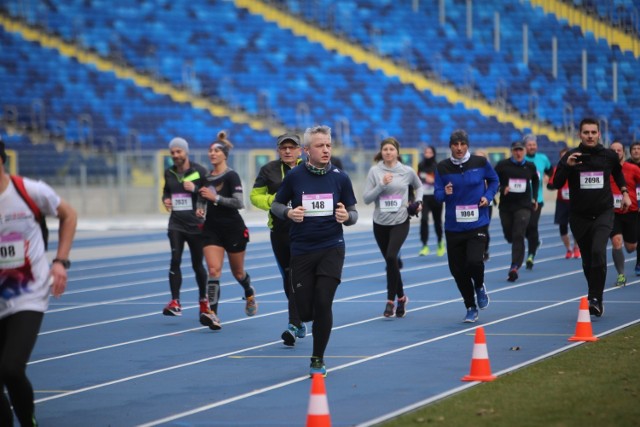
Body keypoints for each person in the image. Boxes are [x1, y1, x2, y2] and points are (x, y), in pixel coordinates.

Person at [0, 141, 77, 426]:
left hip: (26, 294)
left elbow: (69, 214)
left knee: (10, 368)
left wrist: (60, 261)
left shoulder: (29, 191)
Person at [271, 125, 358, 377]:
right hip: (302, 250)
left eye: (328, 145)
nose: (326, 150)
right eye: (320, 146)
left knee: (323, 303)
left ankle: (317, 358)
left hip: (332, 248)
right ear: (307, 150)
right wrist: (289, 213)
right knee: (307, 311)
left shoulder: (341, 178)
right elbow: (276, 205)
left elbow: (353, 213)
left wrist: (346, 216)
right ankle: (305, 324)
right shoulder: (295, 177)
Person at [552, 118, 630, 317]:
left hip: (604, 212)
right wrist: (568, 166)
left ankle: (594, 298)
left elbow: (618, 174)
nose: (590, 136)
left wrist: (624, 192)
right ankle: (595, 296)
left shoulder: (609, 156)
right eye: (586, 132)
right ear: (580, 134)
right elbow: (556, 183)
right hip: (579, 216)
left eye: (593, 132)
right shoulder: (571, 156)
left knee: (598, 251)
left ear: (598, 134)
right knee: (587, 260)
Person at [434, 129, 499, 323]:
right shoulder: (442, 167)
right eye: (455, 144)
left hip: (477, 223)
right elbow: (437, 196)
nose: (459, 148)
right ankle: (470, 306)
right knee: (458, 271)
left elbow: (495, 180)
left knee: (474, 262)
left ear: (467, 145)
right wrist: (444, 192)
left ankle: (479, 285)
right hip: (454, 227)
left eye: (462, 144)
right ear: (450, 146)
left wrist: (487, 197)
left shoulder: (480, 163)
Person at [250, 132, 306, 346]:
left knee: (296, 276)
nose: (288, 151)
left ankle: (293, 323)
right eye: (284, 148)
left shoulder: (307, 168)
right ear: (278, 150)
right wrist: (275, 201)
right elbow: (255, 197)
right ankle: (298, 319)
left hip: (304, 231)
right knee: (287, 277)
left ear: (300, 150)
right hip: (280, 232)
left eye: (292, 147)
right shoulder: (269, 170)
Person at [196, 131, 256, 331]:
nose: (212, 154)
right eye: (210, 151)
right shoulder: (205, 177)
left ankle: (248, 291)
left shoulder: (232, 176)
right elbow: (202, 199)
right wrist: (200, 208)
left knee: (238, 272)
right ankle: (212, 314)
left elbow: (239, 203)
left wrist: (216, 199)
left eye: (216, 150)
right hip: (212, 229)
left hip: (233, 229)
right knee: (213, 271)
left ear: (224, 155)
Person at [363, 137, 423, 318]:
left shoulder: (406, 171)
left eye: (391, 149)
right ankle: (402, 297)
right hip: (380, 223)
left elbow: (419, 186)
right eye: (385, 149)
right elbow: (366, 199)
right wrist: (381, 185)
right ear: (381, 152)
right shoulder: (374, 171)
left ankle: (390, 301)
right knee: (391, 263)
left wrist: (418, 201)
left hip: (400, 220)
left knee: (391, 256)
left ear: (397, 152)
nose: (388, 152)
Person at [161, 137, 209, 320]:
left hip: (196, 224)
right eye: (172, 152)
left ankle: (203, 301)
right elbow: (167, 190)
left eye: (178, 151)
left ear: (186, 152)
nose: (175, 155)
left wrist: (195, 188)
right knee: (175, 260)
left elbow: (209, 193)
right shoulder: (169, 173)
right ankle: (175, 302)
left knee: (197, 264)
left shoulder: (199, 171)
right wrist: (165, 199)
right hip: (176, 224)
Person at [494, 141, 539, 282]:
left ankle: (514, 266)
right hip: (506, 207)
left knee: (518, 234)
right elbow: (493, 181)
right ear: (512, 151)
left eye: (521, 150)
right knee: (510, 235)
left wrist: (534, 198)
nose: (518, 153)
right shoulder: (502, 165)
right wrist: (502, 188)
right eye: (516, 150)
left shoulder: (530, 166)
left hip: (524, 206)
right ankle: (518, 241)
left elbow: (536, 181)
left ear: (524, 151)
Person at [608, 141, 640, 287]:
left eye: (619, 150)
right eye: (613, 150)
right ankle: (621, 275)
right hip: (612, 213)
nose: (616, 153)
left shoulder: (632, 168)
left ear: (623, 152)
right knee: (616, 241)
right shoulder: (604, 170)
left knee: (631, 247)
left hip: (631, 211)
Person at [523, 134, 553, 270]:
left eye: (534, 145)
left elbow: (550, 170)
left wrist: (548, 176)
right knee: (522, 228)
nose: (532, 147)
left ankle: (531, 255)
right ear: (525, 146)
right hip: (521, 200)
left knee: (532, 225)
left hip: (537, 199)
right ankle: (535, 242)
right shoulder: (521, 158)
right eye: (529, 145)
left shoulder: (542, 159)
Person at [547, 147, 581, 259]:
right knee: (563, 227)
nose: (564, 158)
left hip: (575, 201)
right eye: (562, 156)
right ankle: (568, 249)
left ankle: (576, 247)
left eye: (566, 155)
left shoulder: (578, 167)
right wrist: (554, 185)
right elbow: (550, 185)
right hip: (562, 202)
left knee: (576, 226)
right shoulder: (557, 168)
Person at [417, 145, 445, 257]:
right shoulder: (420, 165)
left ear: (434, 154)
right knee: (423, 220)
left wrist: (433, 180)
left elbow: (442, 181)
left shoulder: (438, 166)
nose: (427, 154)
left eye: (430, 152)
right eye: (426, 152)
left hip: (436, 197)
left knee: (437, 221)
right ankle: (424, 245)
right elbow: (418, 178)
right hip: (424, 197)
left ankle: (440, 243)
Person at [474, 149, 495, 262]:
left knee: (484, 228)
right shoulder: (470, 171)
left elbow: (496, 184)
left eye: (481, 157)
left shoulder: (490, 171)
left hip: (487, 204)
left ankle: (484, 250)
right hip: (473, 204)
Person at [625, 140, 640, 275]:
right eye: (634, 148)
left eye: (638, 148)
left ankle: (638, 263)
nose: (636, 150)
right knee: (633, 239)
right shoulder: (626, 165)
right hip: (630, 205)